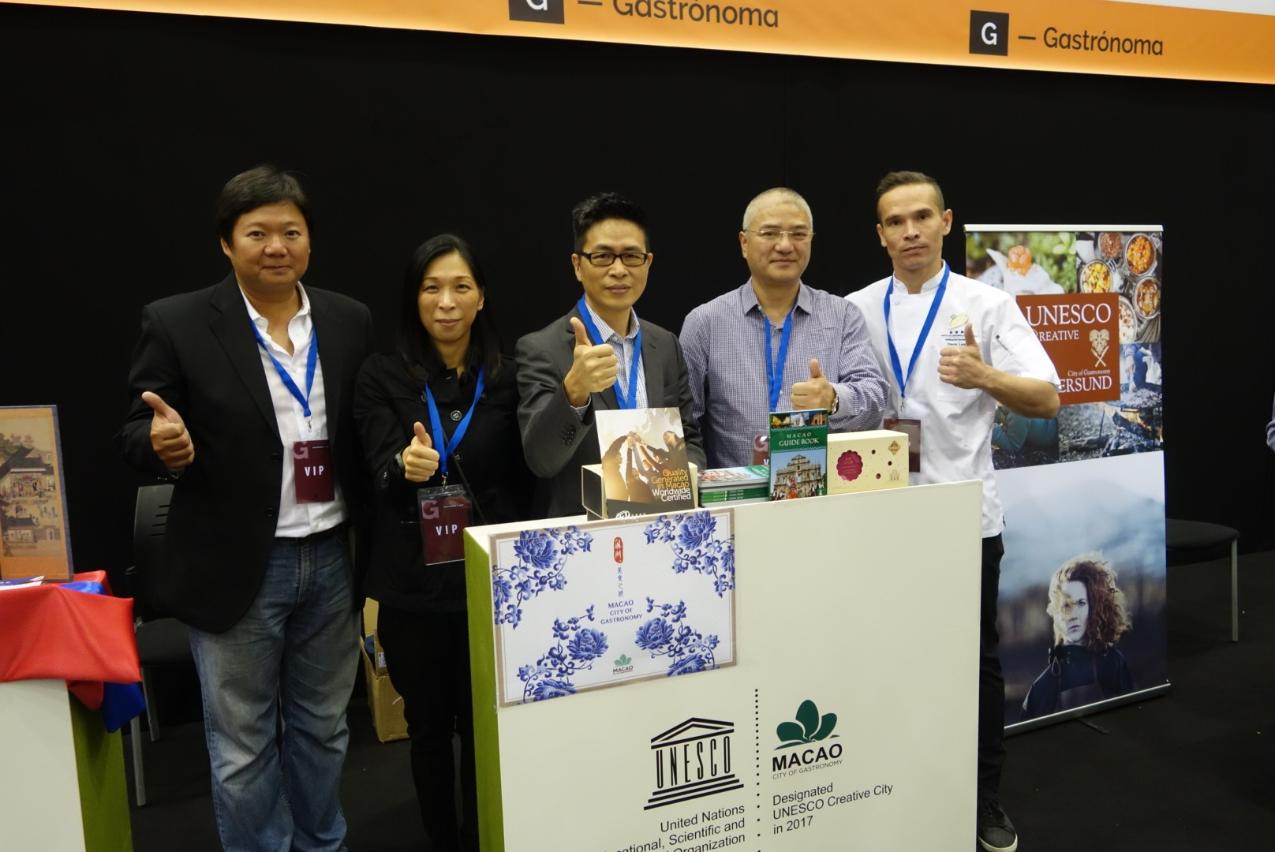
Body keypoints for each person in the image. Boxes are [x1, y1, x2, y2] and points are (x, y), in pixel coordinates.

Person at [116, 165, 373, 852]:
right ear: (227, 244)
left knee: (326, 729)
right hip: (235, 565)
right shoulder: (178, 322)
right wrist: (160, 444)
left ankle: (322, 843)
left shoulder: (349, 320)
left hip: (332, 557)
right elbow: (133, 429)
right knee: (241, 746)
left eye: (291, 231)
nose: (276, 246)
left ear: (309, 240)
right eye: (257, 233)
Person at [847, 170, 1060, 852]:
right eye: (895, 221)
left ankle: (982, 798)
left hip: (964, 519)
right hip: (875, 517)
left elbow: (1047, 397)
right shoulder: (853, 309)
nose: (909, 231)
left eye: (921, 217)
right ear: (879, 234)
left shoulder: (987, 304)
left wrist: (983, 376)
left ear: (945, 222)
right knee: (879, 658)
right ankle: (887, 793)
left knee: (975, 664)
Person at [353, 234, 530, 851]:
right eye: (432, 288)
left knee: (486, 725)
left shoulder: (508, 377)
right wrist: (404, 465)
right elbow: (374, 468)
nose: (446, 302)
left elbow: (527, 477)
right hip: (413, 587)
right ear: (414, 297)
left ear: (481, 297)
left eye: (460, 287)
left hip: (491, 584)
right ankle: (441, 840)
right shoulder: (381, 375)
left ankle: (486, 835)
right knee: (427, 729)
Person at [516, 192, 705, 518]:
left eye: (631, 256)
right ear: (578, 265)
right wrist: (574, 392)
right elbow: (542, 461)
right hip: (586, 530)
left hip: (662, 525)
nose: (618, 270)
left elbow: (690, 440)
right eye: (603, 256)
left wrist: (684, 484)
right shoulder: (541, 349)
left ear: (648, 263)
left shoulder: (665, 345)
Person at [680, 187, 886, 469]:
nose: (786, 246)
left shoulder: (843, 315)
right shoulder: (705, 322)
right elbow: (684, 423)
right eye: (770, 233)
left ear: (811, 241)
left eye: (799, 234)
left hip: (821, 488)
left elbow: (875, 398)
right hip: (737, 490)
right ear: (744, 243)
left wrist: (833, 399)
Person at [1021, 555, 1133, 720]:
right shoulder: (1040, 689)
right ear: (1056, 613)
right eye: (1066, 605)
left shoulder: (1113, 663)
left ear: (1093, 608)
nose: (1073, 615)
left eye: (1081, 603)